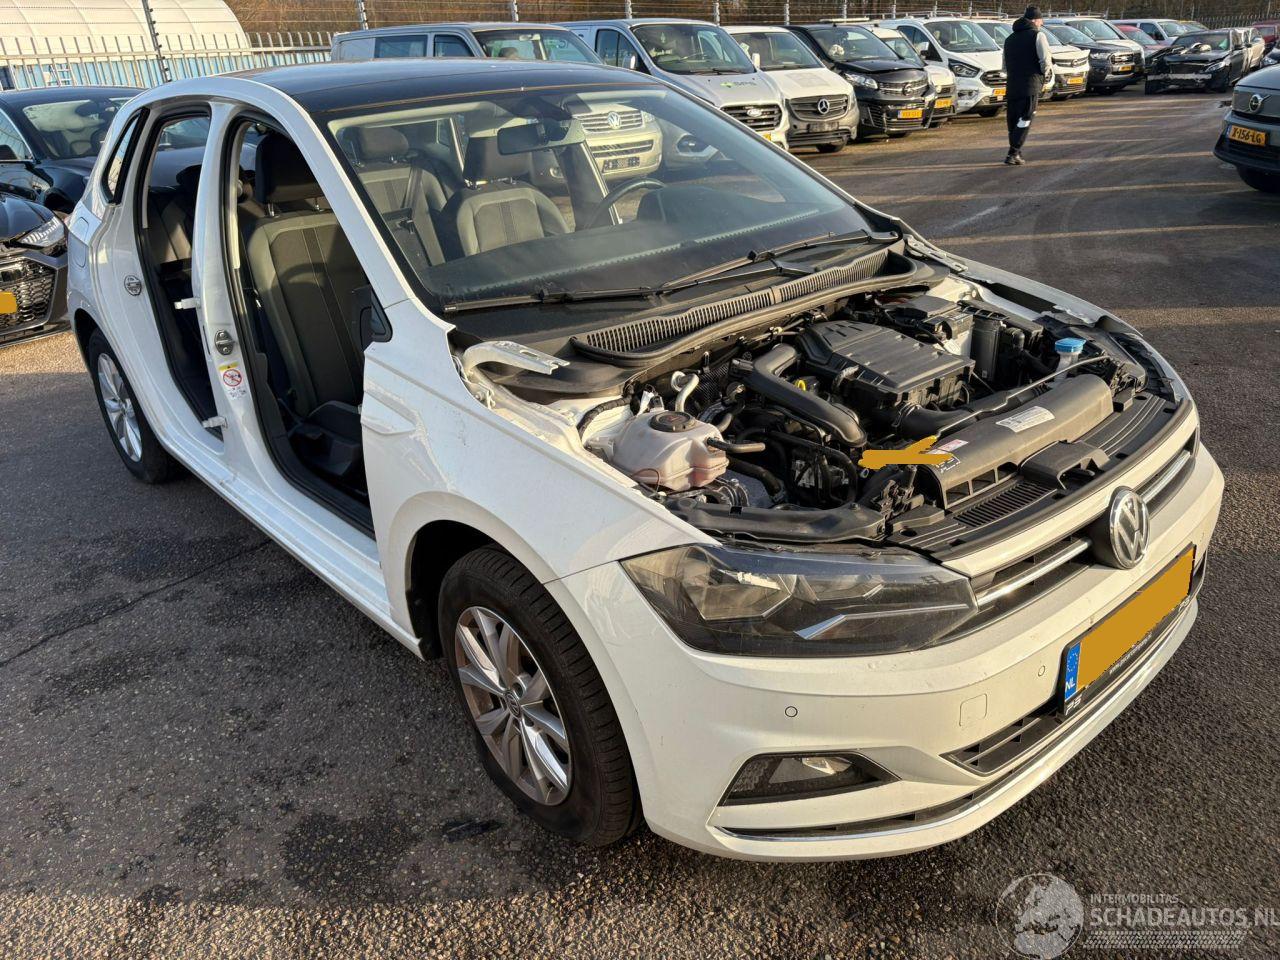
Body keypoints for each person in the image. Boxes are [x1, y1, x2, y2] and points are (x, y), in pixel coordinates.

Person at [1002, 5, 1054, 165]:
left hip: (1012, 85)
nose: (1042, 23)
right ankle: (1013, 152)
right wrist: (1046, 76)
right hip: (1030, 85)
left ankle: (1015, 150)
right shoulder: (1038, 36)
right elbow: (1045, 61)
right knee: (1026, 118)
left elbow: (1004, 66)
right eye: (1041, 20)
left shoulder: (1009, 39)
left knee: (1013, 120)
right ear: (1035, 20)